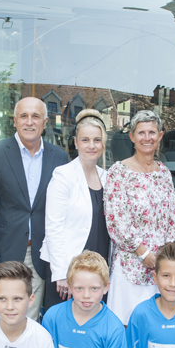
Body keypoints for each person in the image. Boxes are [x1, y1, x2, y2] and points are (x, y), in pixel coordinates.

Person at [0, 97, 68, 321]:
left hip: (39, 253)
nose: (30, 122)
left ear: (45, 122)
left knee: (28, 319)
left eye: (36, 116)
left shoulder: (59, 157)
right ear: (15, 121)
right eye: (24, 116)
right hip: (2, 252)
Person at [104, 110, 175, 326]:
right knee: (126, 326)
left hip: (162, 267)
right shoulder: (118, 172)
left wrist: (166, 256)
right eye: (141, 133)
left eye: (152, 132)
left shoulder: (164, 172)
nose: (147, 138)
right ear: (132, 137)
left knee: (157, 328)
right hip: (131, 265)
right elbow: (116, 220)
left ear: (160, 136)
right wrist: (145, 254)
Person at [40, 109, 109, 310]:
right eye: (85, 140)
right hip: (68, 267)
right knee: (64, 324)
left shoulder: (108, 177)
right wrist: (61, 273)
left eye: (97, 140)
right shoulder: (63, 175)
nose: (91, 145)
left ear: (103, 144)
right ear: (76, 142)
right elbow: (53, 227)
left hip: (99, 267)